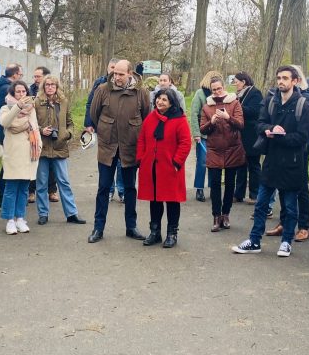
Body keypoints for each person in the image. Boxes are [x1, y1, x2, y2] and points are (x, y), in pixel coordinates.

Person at [232, 66, 309, 258]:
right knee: (261, 204)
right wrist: (269, 129)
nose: (281, 81)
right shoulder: (271, 101)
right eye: (279, 78)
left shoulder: (304, 105)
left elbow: (303, 137)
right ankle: (254, 240)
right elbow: (259, 124)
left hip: (292, 162)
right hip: (271, 162)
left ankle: (286, 241)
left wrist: (280, 136)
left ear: (295, 81)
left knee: (289, 206)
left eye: (285, 78)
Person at [87, 59, 150, 243]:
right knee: (103, 188)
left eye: (121, 74)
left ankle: (131, 227)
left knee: (130, 188)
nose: (117, 77)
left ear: (130, 73)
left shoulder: (141, 93)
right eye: (115, 73)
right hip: (108, 147)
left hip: (130, 147)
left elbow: (146, 117)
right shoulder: (103, 89)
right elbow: (94, 113)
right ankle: (98, 228)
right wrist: (106, 129)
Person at [136, 89, 192, 248]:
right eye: (159, 98)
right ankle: (155, 232)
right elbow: (142, 139)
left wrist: (176, 163)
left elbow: (185, 143)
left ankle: (172, 234)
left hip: (170, 168)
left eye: (165, 100)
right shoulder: (151, 117)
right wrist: (141, 158)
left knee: (172, 201)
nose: (160, 102)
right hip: (151, 166)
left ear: (172, 103)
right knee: (154, 200)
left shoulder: (179, 120)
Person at [34, 75, 87, 226]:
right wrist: (41, 130)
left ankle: (71, 214)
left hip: (59, 146)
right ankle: (43, 213)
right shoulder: (37, 102)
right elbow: (31, 124)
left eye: (53, 85)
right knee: (42, 182)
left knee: (64, 181)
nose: (50, 87)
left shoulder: (63, 102)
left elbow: (70, 122)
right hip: (42, 148)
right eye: (47, 85)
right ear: (43, 87)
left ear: (57, 87)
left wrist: (67, 134)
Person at [200, 75, 245, 231]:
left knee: (230, 184)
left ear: (224, 87)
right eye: (214, 90)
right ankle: (216, 216)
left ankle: (226, 214)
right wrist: (211, 122)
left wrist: (228, 117)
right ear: (211, 91)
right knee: (215, 184)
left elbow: (240, 124)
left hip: (233, 149)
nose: (217, 92)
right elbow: (202, 128)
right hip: (214, 150)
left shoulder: (234, 103)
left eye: (219, 88)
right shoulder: (206, 107)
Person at [0, 80, 41, 234]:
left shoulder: (32, 110)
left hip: (29, 153)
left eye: (24, 91)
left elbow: (35, 128)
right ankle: (9, 220)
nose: (21, 94)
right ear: (12, 93)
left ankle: (20, 218)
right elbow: (5, 122)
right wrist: (17, 107)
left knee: (24, 188)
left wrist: (39, 146)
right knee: (11, 188)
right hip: (13, 153)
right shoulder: (6, 108)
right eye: (18, 92)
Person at [84, 58, 125, 202]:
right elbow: (91, 104)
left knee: (121, 163)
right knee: (107, 162)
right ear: (107, 68)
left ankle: (122, 190)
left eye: (118, 69)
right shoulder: (100, 83)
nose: (114, 72)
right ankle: (109, 190)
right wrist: (90, 124)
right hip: (106, 130)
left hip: (122, 133)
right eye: (112, 67)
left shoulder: (126, 86)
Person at [188, 71, 221, 202]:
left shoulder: (220, 95)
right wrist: (196, 133)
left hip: (217, 136)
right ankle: (199, 188)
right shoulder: (200, 94)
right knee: (202, 162)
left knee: (215, 163)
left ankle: (213, 188)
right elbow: (194, 113)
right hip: (203, 135)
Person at [232, 71, 264, 203]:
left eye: (236, 82)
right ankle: (238, 194)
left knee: (254, 165)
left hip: (252, 135)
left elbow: (255, 111)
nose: (235, 84)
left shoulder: (255, 93)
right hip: (241, 135)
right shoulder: (238, 95)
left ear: (243, 82)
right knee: (240, 165)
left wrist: (237, 106)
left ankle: (254, 194)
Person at [28, 66, 57, 201]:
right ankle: (31, 192)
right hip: (36, 133)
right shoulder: (30, 91)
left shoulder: (56, 96)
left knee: (51, 164)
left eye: (38, 76)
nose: (35, 79)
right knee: (34, 162)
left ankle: (52, 191)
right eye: (34, 76)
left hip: (51, 135)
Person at [0, 63, 22, 204]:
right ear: (15, 75)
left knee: (9, 163)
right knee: (8, 164)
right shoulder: (7, 89)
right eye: (20, 75)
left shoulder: (4, 87)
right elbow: (11, 113)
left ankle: (5, 196)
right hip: (8, 133)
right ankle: (2, 198)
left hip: (6, 132)